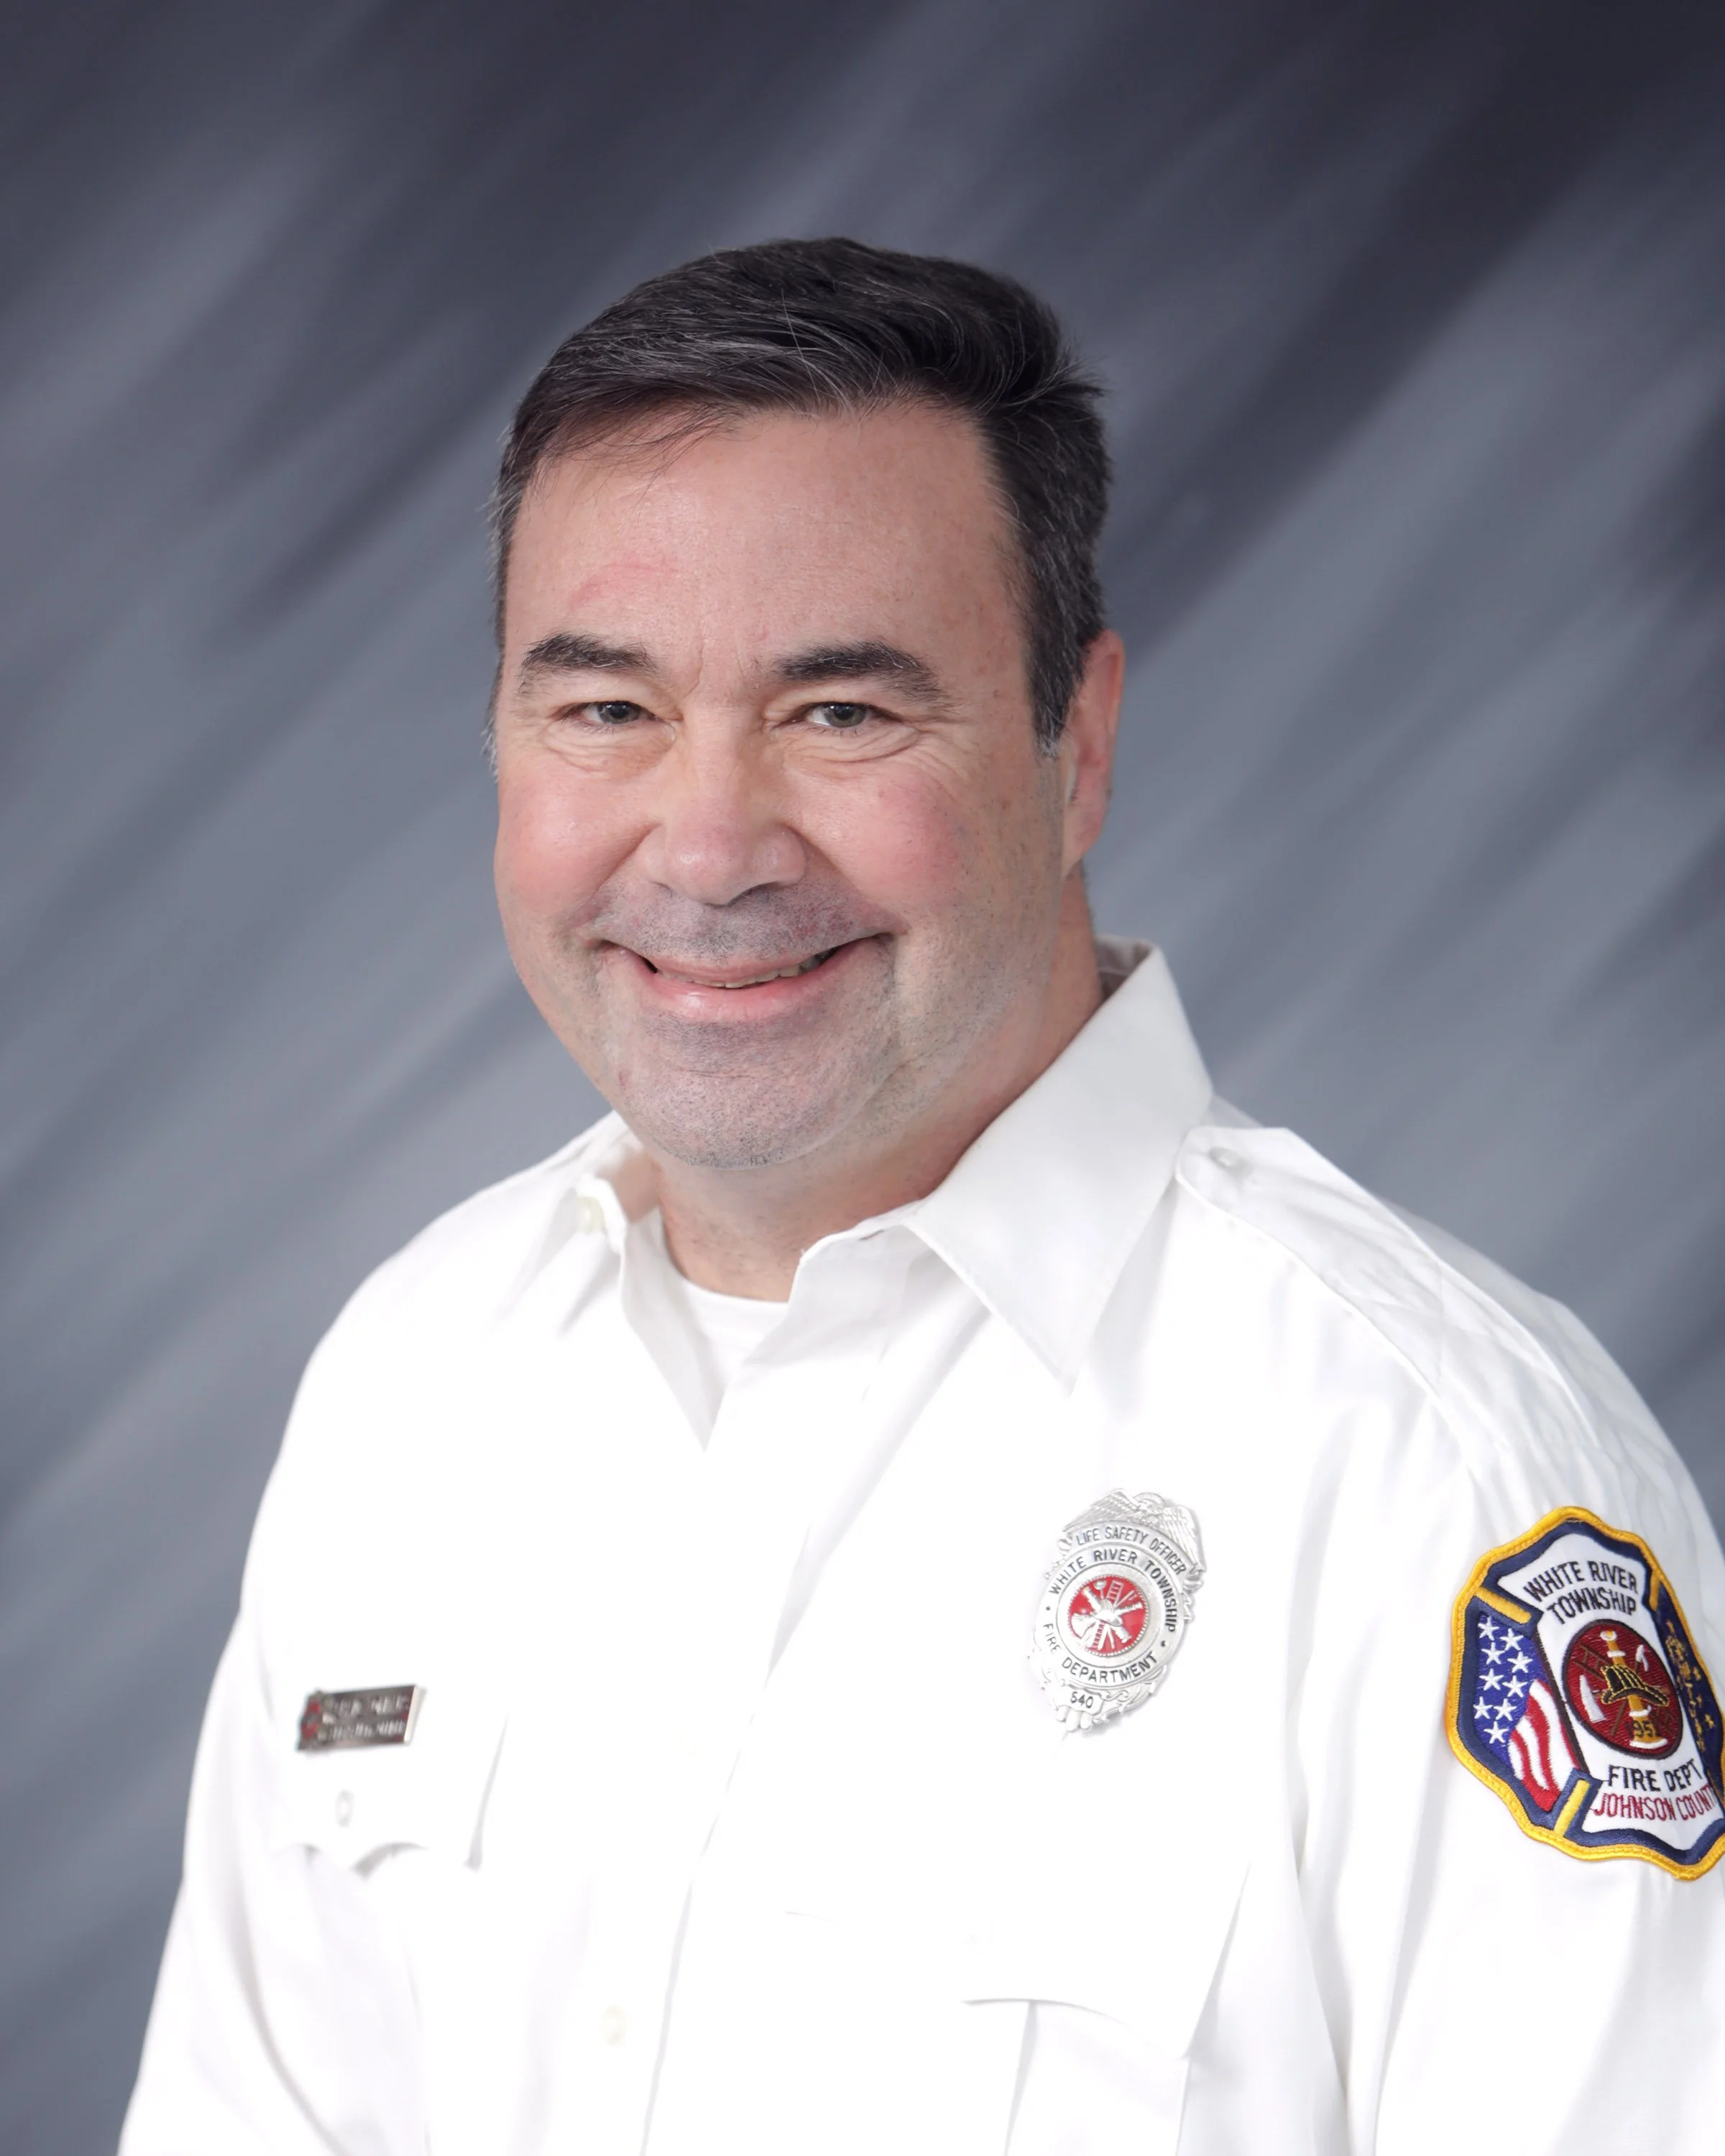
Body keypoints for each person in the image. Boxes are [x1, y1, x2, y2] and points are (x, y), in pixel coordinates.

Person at [120, 238, 1725, 2156]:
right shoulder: (409, 1389)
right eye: (607, 710)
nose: (707, 849)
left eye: (844, 713)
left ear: (1080, 746)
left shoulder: (1432, 1481)